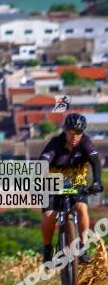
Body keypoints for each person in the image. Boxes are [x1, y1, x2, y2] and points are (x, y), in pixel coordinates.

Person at [39, 113, 103, 264]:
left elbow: (96, 162)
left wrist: (97, 182)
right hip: (53, 184)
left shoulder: (86, 143)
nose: (75, 136)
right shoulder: (55, 143)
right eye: (71, 132)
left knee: (82, 208)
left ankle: (83, 247)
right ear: (65, 130)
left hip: (76, 183)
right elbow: (42, 162)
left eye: (78, 133)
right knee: (49, 215)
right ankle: (48, 249)